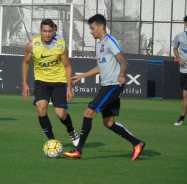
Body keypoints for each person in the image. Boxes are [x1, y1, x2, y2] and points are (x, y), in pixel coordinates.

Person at [63, 14, 145, 161]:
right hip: (106, 86)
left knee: (88, 112)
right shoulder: (100, 44)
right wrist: (82, 76)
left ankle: (78, 150)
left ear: (101, 27)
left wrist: (121, 74)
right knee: (108, 123)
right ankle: (137, 143)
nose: (91, 31)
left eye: (92, 28)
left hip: (113, 85)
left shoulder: (110, 42)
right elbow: (100, 67)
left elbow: (123, 61)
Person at [22, 18, 79, 146]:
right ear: (40, 31)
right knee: (41, 109)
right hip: (41, 81)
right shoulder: (32, 45)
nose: (47, 34)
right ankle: (52, 140)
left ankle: (71, 131)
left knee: (60, 114)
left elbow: (68, 66)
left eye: (49, 31)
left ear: (53, 31)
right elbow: (25, 63)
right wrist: (24, 83)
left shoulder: (61, 45)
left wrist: (69, 87)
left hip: (59, 81)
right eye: (44, 31)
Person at [173, 16, 187, 126]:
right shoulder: (180, 36)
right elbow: (175, 49)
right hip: (183, 70)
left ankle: (181, 118)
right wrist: (178, 58)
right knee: (185, 95)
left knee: (185, 94)